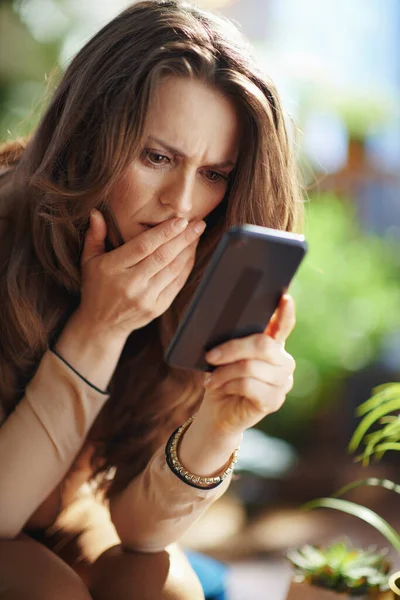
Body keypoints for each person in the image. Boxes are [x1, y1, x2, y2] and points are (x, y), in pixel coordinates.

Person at [0, 1, 303, 598]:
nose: (181, 204)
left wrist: (220, 424)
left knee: (164, 587)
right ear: (89, 138)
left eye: (215, 173)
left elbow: (140, 532)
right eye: (157, 158)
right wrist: (99, 329)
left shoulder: (207, 254)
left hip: (62, 510)